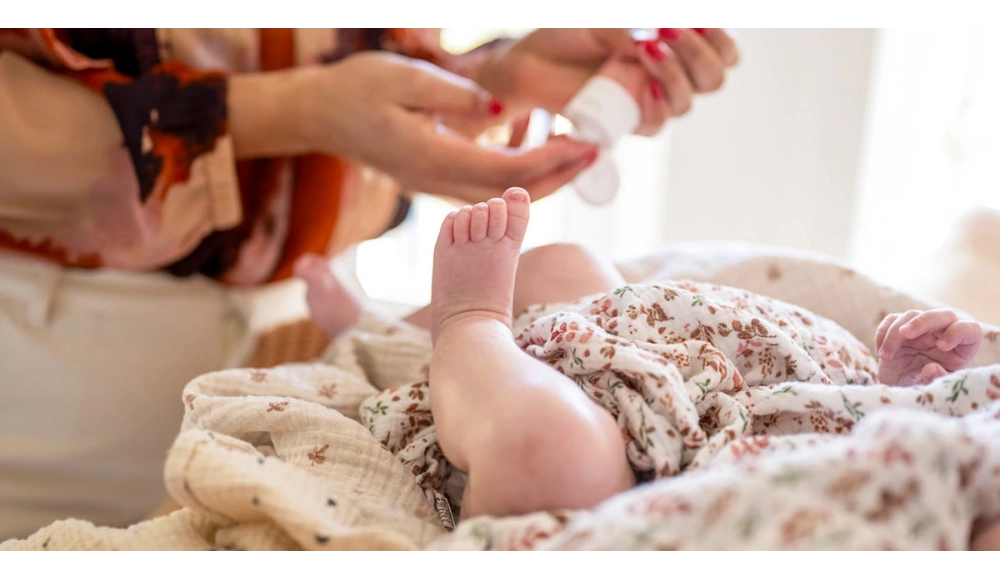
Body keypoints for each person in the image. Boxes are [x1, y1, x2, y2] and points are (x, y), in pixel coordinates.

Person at [0, 26, 739, 540]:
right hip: (61, 342)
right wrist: (302, 112)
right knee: (551, 436)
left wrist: (491, 80)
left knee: (570, 275)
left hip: (300, 323)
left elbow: (352, 54)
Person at [295, 187, 987, 519]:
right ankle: (384, 329)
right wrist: (899, 389)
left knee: (550, 450)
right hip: (679, 373)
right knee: (570, 266)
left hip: (640, 477)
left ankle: (467, 323)